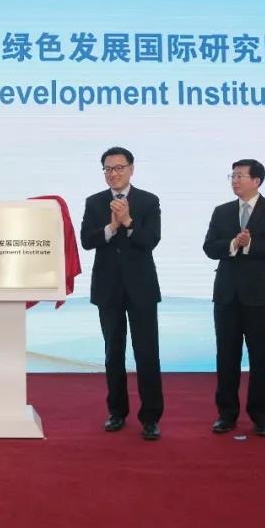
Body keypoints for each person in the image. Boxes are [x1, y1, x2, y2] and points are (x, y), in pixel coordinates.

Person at [80, 146, 163, 440]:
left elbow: (151, 240)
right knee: (113, 352)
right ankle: (116, 412)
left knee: (146, 352)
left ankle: (150, 418)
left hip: (141, 288)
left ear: (131, 169)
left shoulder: (148, 201)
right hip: (108, 288)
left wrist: (128, 223)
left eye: (118, 168)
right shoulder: (94, 202)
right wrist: (110, 227)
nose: (113, 174)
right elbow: (86, 241)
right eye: (108, 169)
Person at [203, 159, 265, 436]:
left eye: (240, 176)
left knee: (260, 356)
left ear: (256, 181)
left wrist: (251, 244)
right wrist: (233, 244)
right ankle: (226, 414)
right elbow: (209, 247)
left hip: (261, 296)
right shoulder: (222, 211)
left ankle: (261, 416)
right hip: (227, 295)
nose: (235, 180)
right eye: (233, 175)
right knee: (226, 356)